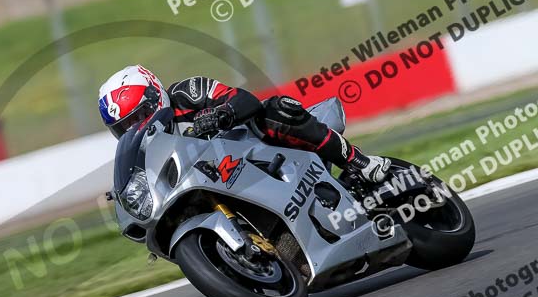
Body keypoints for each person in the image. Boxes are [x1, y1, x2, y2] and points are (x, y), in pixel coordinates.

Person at [98, 65, 391, 183]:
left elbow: (244, 99)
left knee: (274, 111)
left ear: (155, 96)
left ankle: (358, 161)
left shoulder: (187, 93)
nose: (136, 127)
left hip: (253, 150)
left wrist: (221, 114)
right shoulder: (145, 154)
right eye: (125, 126)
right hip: (220, 181)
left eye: (139, 116)